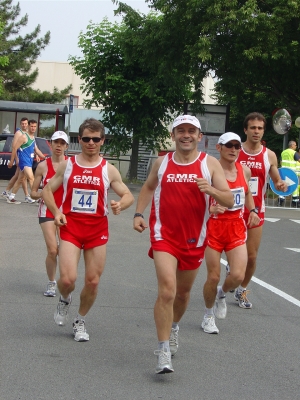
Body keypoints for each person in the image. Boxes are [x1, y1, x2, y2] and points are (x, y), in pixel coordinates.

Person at [133, 115, 234, 374]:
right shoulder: (162, 162)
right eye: (181, 131)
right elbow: (148, 186)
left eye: (191, 131)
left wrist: (211, 191)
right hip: (163, 236)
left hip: (195, 239)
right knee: (167, 291)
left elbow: (230, 199)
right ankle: (163, 349)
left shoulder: (209, 164)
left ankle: (174, 326)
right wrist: (138, 214)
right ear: (173, 135)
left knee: (182, 294)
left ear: (200, 137)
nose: (186, 135)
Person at [42, 118, 134, 342]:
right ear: (79, 140)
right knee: (67, 280)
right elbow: (47, 190)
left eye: (95, 139)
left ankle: (80, 320)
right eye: (86, 139)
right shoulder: (68, 165)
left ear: (102, 141)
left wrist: (121, 204)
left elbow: (128, 195)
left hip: (96, 230)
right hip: (71, 228)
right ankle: (65, 299)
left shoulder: (108, 169)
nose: (90, 143)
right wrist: (56, 212)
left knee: (92, 281)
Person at [202, 132, 260, 334]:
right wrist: (211, 209)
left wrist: (252, 210)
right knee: (213, 276)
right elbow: (198, 200)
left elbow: (247, 194)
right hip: (215, 228)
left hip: (236, 227)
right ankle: (208, 316)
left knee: (237, 275)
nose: (234, 150)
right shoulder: (209, 171)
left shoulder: (244, 170)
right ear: (219, 148)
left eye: (237, 146)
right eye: (229, 146)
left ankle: (221, 294)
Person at [232, 112, 287, 308]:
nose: (256, 131)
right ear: (245, 130)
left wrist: (280, 184)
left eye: (260, 128)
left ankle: (241, 290)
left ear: (263, 131)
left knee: (252, 256)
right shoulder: (235, 151)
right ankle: (234, 268)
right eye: (253, 127)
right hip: (234, 208)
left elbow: (276, 178)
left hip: (257, 210)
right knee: (232, 249)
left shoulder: (269, 155)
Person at [31, 131, 69, 297]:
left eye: (62, 143)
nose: (59, 146)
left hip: (66, 212)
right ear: (50, 144)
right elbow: (33, 192)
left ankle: (66, 282)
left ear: (67, 146)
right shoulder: (42, 166)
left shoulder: (71, 165)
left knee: (65, 250)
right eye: (56, 142)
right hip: (46, 211)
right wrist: (43, 194)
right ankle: (52, 282)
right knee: (53, 250)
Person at [7, 119, 45, 204]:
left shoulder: (33, 138)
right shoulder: (24, 137)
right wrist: (11, 160)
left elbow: (36, 150)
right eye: (31, 126)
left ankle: (11, 196)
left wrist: (44, 157)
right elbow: (14, 148)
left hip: (29, 161)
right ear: (28, 126)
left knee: (20, 179)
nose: (33, 128)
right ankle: (37, 198)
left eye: (35, 126)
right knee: (31, 178)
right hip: (24, 162)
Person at [1, 117, 34, 202]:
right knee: (21, 177)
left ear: (28, 124)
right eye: (22, 124)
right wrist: (16, 159)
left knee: (20, 177)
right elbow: (14, 147)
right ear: (20, 124)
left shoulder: (27, 133)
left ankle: (8, 192)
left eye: (25, 124)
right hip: (21, 158)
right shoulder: (18, 133)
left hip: (25, 158)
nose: (24, 125)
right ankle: (26, 196)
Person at [278, 140, 298, 207]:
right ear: (292, 145)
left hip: (284, 172)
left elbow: (281, 161)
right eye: (295, 145)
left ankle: (280, 200)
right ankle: (295, 202)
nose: (296, 146)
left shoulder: (283, 152)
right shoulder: (294, 152)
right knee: (294, 186)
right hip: (292, 172)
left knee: (283, 185)